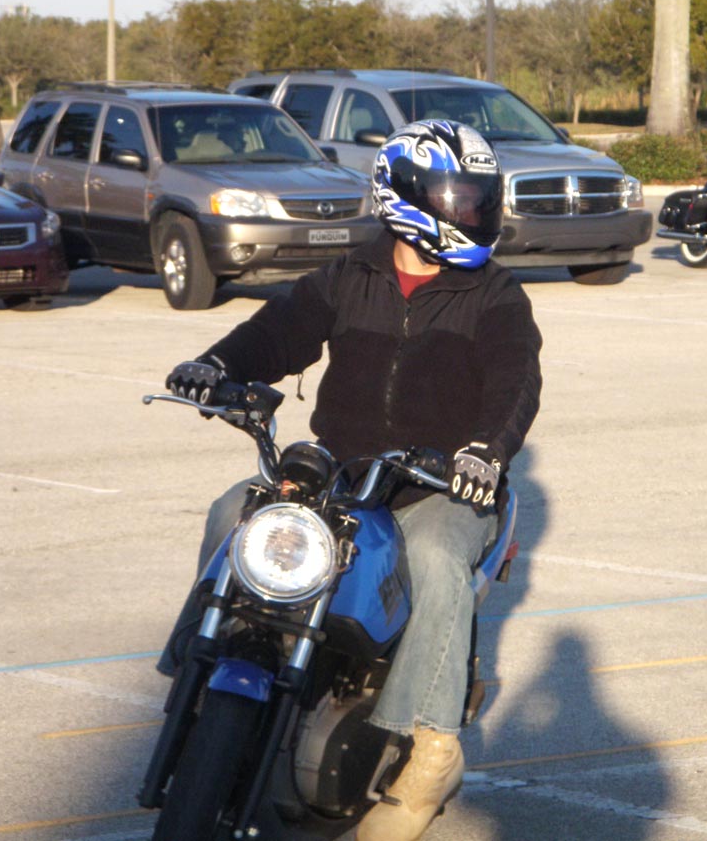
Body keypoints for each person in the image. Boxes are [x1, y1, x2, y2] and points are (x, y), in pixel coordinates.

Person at [163, 119, 542, 841]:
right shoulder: (348, 276)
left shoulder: (495, 294)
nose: (473, 212)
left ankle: (429, 750)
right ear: (403, 196)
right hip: (343, 471)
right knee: (233, 512)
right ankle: (199, 660)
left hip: (441, 483)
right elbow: (277, 330)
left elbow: (515, 382)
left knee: (433, 556)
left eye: (479, 199)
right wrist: (216, 365)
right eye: (459, 199)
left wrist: (484, 454)